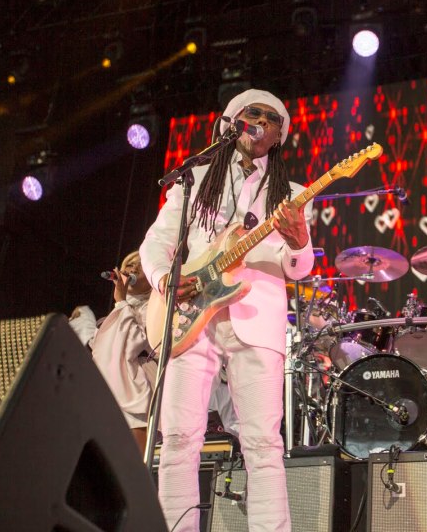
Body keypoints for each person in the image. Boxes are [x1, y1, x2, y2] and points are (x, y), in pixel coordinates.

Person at [140, 89, 314, 532]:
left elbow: (298, 267)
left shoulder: (291, 195)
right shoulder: (195, 180)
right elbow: (156, 243)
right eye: (253, 113)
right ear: (230, 123)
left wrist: (299, 242)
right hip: (189, 317)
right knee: (178, 439)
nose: (262, 121)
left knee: (263, 443)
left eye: (272, 118)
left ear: (279, 136)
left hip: (255, 320)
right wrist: (164, 278)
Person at [90, 250, 157, 456]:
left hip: (134, 385)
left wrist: (121, 301)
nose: (133, 267)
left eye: (141, 264)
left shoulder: (154, 306)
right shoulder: (120, 309)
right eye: (129, 264)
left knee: (132, 460)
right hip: (109, 389)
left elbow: (135, 341)